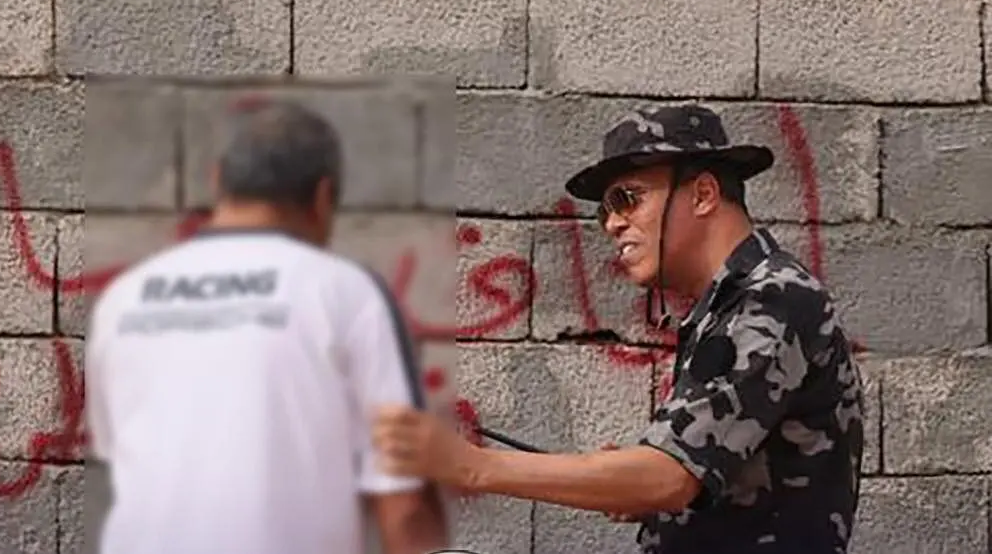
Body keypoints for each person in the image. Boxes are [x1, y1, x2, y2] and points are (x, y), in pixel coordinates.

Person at [371, 104, 865, 554]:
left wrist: (473, 466)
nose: (611, 223)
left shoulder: (772, 299)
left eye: (627, 199)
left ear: (703, 194)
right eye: (605, 209)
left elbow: (669, 477)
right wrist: (631, 482)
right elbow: (687, 474)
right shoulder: (729, 305)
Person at [85, 98, 449, 554]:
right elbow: (405, 509)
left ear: (218, 180)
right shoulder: (347, 293)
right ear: (323, 197)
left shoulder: (124, 297)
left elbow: (119, 451)